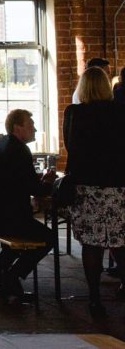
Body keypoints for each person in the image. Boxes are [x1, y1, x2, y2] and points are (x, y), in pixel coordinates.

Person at [0, 109, 55, 298]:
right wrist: (49, 183)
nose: (35, 129)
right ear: (18, 128)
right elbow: (34, 188)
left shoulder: (1, 143)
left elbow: (17, 181)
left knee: (19, 236)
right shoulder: (19, 149)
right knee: (49, 238)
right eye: (31, 126)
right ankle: (12, 276)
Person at [63, 67, 125, 318]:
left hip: (86, 186)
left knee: (91, 244)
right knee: (121, 242)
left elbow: (70, 146)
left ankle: (94, 298)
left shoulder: (74, 113)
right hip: (118, 185)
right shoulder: (120, 112)